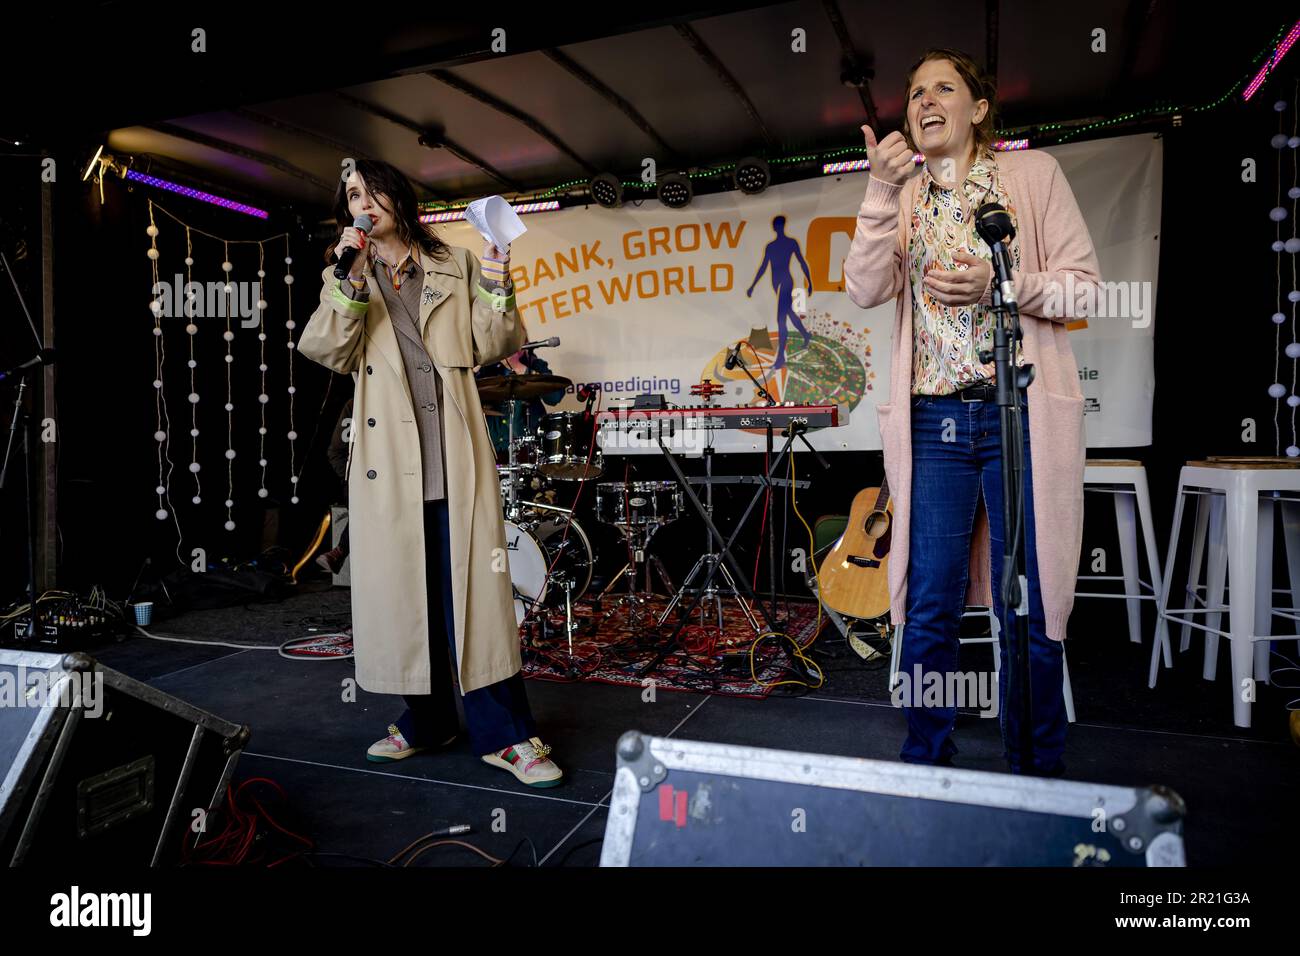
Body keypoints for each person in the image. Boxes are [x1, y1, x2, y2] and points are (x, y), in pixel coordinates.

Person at [843, 48, 1100, 776]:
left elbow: (1084, 288)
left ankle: (1035, 772)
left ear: (978, 109)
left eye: (943, 87)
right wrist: (876, 193)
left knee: (1028, 599)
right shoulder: (904, 196)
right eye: (914, 89)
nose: (924, 99)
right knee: (928, 601)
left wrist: (1005, 281)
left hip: (1019, 411)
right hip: (936, 421)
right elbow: (863, 289)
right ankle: (928, 761)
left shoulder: (1033, 176)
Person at [298, 159, 563, 787]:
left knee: (475, 603)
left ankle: (506, 735)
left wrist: (499, 269)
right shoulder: (347, 275)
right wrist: (349, 275)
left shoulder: (455, 262)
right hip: (388, 470)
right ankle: (427, 721)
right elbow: (325, 349)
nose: (364, 203)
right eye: (352, 197)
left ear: (397, 194)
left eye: (372, 190)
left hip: (454, 457)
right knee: (404, 602)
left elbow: (490, 341)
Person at [475, 322, 566, 458]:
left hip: (527, 448)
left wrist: (518, 367)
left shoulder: (534, 364)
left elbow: (554, 398)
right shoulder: (486, 369)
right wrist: (475, 368)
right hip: (493, 448)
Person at [316, 397, 352, 575]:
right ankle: (339, 552)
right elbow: (336, 452)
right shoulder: (355, 405)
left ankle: (339, 551)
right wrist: (353, 479)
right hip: (363, 484)